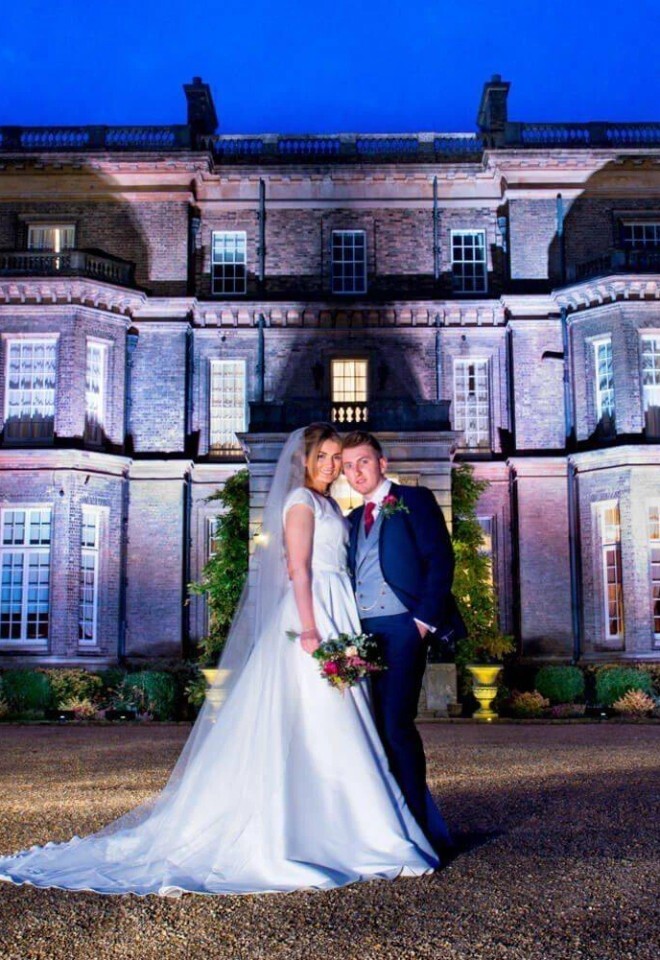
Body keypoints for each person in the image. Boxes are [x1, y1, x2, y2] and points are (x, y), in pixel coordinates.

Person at [0, 424, 439, 897]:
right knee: (318, 713)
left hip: (342, 612)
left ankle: (346, 821)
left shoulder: (334, 506)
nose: (333, 466)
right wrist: (311, 628)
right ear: (305, 459)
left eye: (339, 458)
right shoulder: (300, 501)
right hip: (315, 613)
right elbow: (298, 568)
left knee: (340, 717)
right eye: (325, 457)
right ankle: (322, 828)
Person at [342, 430, 463, 858]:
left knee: (396, 724)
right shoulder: (351, 521)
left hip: (404, 627)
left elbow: (440, 559)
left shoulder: (416, 499)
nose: (355, 472)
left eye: (363, 462)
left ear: (382, 463)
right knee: (371, 729)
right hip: (361, 635)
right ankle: (385, 827)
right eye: (348, 466)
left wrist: (422, 623)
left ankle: (418, 830)